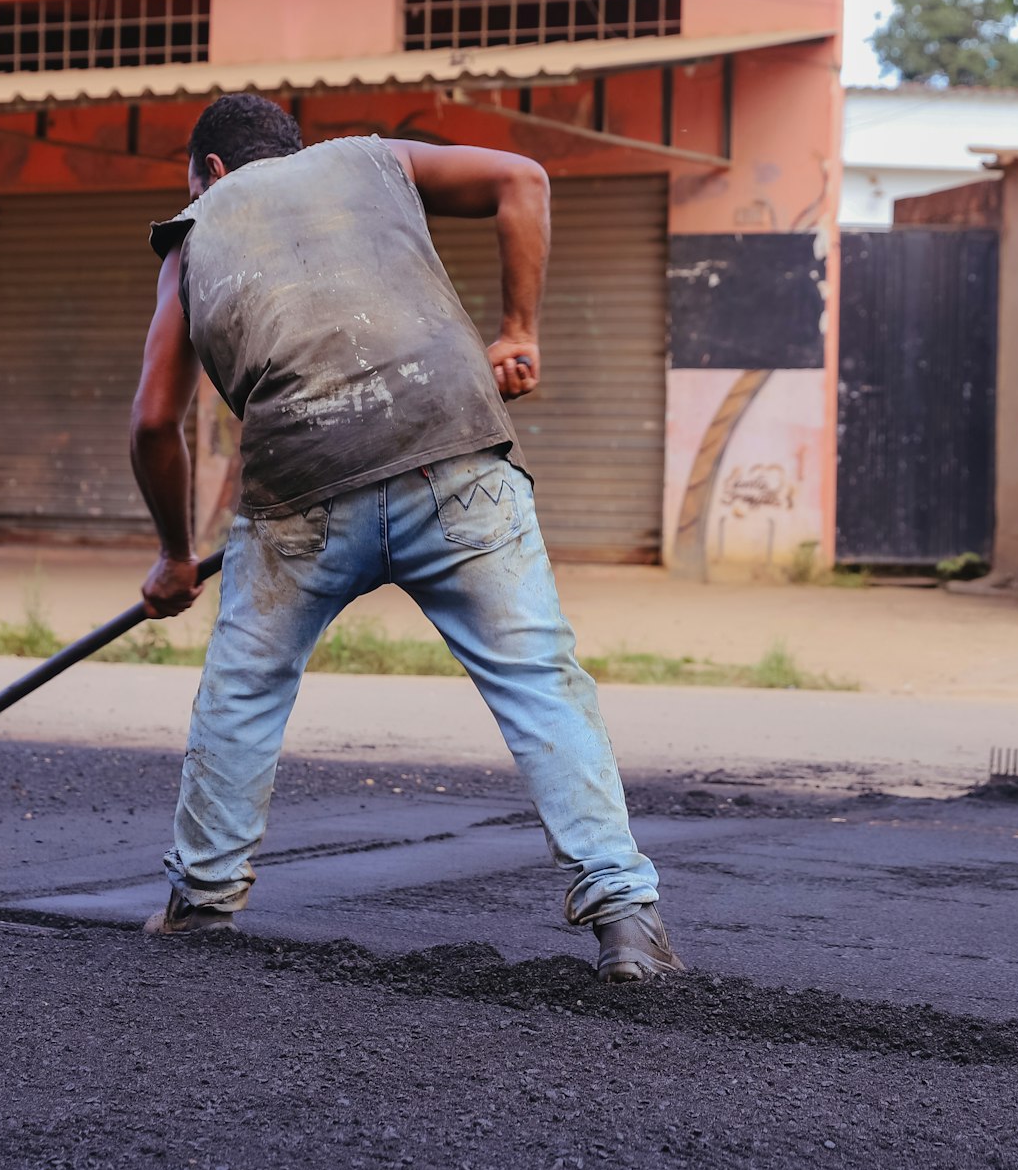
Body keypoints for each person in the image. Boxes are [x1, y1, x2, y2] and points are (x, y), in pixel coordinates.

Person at [128, 93, 680, 982]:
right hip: (454, 458)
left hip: (300, 492)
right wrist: (519, 331)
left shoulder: (196, 231)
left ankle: (200, 902)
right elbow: (522, 179)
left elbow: (156, 422)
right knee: (539, 681)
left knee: (246, 689)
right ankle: (625, 918)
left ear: (213, 172)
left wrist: (171, 556)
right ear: (292, 152)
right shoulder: (370, 158)